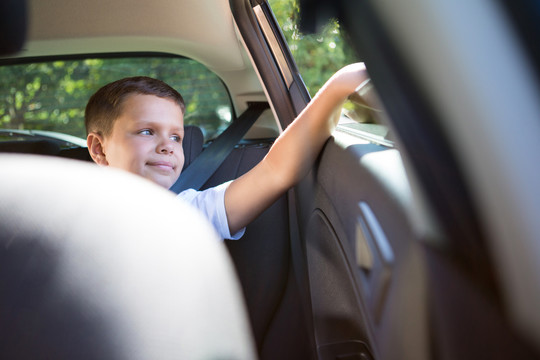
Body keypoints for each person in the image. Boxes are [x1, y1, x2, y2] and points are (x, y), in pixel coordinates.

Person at [85, 63, 368, 239]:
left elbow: (275, 171)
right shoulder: (71, 217)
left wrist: (340, 85)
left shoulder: (189, 213)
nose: (167, 146)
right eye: (147, 131)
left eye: (176, 137)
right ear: (99, 149)